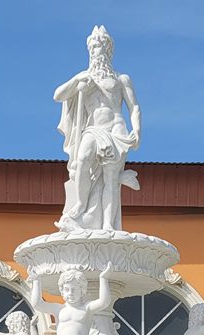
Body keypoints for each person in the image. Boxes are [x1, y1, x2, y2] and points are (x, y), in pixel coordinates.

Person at [53, 25, 141, 232]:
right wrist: (76, 81)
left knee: (111, 178)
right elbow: (58, 95)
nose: (95, 50)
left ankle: (108, 224)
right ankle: (80, 204)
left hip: (116, 128)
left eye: (98, 46)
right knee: (83, 159)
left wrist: (137, 130)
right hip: (93, 128)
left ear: (108, 49)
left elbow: (134, 107)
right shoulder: (84, 77)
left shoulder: (121, 79)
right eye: (92, 47)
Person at [31, 263, 126, 335]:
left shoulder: (86, 308)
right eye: (67, 289)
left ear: (82, 290)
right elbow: (37, 304)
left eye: (74, 289)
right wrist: (36, 281)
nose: (70, 293)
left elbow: (104, 302)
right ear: (62, 291)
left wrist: (103, 278)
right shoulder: (58, 308)